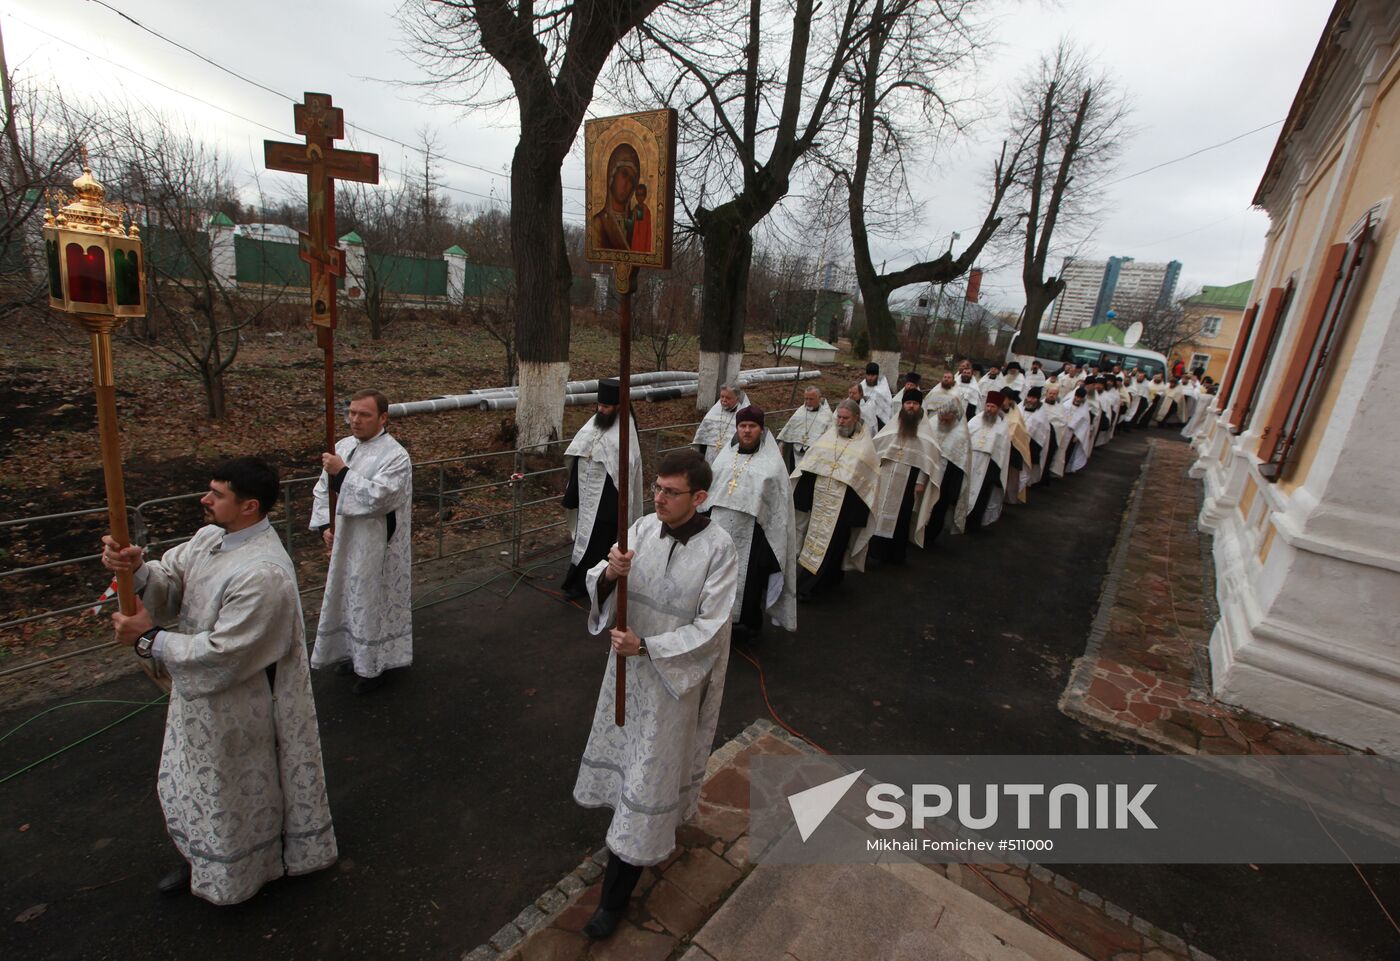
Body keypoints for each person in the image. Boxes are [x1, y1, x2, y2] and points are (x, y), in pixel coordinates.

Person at [102, 457, 336, 904]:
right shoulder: (212, 537)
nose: (205, 500)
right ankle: (201, 857)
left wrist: (151, 640)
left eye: (217, 494)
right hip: (196, 699)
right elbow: (172, 584)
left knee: (235, 790)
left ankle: (246, 870)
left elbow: (228, 652)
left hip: (239, 704)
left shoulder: (264, 572)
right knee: (197, 785)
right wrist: (140, 569)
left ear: (249, 506)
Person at [573, 450, 738, 940]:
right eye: (658, 488)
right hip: (625, 675)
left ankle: (614, 899)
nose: (659, 498)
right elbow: (600, 582)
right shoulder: (642, 529)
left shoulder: (719, 548)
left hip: (671, 685)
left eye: (671, 491)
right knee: (625, 764)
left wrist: (648, 646)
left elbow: (712, 627)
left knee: (647, 777)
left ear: (700, 497)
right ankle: (629, 837)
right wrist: (610, 573)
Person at [310, 389, 413, 694]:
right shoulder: (342, 446)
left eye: (364, 414)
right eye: (352, 413)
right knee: (347, 597)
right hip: (344, 542)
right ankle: (351, 653)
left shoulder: (396, 456)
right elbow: (322, 489)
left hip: (375, 546)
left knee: (371, 602)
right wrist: (325, 526)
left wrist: (342, 473)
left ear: (383, 418)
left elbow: (380, 498)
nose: (355, 420)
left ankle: (375, 665)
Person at [701, 406, 797, 642]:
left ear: (761, 431)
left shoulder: (773, 466)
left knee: (750, 585)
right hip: (719, 532)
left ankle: (747, 629)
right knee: (715, 578)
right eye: (742, 426)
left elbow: (778, 512)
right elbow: (709, 497)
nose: (746, 431)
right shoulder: (723, 459)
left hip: (754, 537)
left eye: (752, 427)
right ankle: (712, 623)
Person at [562, 378, 644, 599]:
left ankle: (590, 588)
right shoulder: (595, 421)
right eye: (599, 405)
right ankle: (576, 582)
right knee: (582, 541)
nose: (601, 410)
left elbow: (626, 468)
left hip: (607, 504)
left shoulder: (625, 431)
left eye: (606, 407)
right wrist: (574, 493)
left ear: (618, 407)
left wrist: (610, 507)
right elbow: (578, 451)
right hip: (587, 496)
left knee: (598, 546)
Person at [791, 399, 880, 599]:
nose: (840, 422)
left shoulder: (865, 447)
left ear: (856, 418)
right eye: (838, 417)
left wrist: (854, 515)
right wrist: (803, 500)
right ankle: (808, 586)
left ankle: (823, 582)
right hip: (820, 502)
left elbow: (867, 482)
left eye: (845, 418)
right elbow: (809, 467)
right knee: (814, 542)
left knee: (836, 545)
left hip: (844, 507)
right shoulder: (827, 438)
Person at [861, 389, 942, 565]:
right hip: (886, 476)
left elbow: (928, 460)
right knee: (879, 514)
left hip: (908, 481)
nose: (911, 406)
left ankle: (895, 555)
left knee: (902, 517)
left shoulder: (925, 431)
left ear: (920, 406)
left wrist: (920, 482)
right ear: (903, 405)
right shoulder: (893, 425)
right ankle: (874, 553)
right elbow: (876, 448)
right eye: (908, 403)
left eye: (914, 403)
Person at [926, 394, 971, 543]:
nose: (942, 419)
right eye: (941, 415)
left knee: (938, 508)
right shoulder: (932, 423)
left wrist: (953, 490)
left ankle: (929, 536)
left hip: (945, 479)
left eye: (947, 416)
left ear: (955, 415)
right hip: (926, 472)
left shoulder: (961, 435)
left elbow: (960, 464)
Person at [964, 393, 1011, 532]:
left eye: (993, 407)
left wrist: (994, 471)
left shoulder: (1002, 427)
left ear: (998, 408)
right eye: (988, 406)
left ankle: (973, 524)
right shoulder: (975, 420)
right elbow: (965, 438)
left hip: (987, 466)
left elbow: (1002, 451)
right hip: (971, 461)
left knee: (981, 496)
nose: (989, 409)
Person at [590, 144, 642, 251]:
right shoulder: (599, 222)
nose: (627, 183)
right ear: (612, 174)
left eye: (632, 180)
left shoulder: (635, 220)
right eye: (624, 174)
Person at [776, 386, 833, 471]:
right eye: (806, 399)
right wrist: (781, 445)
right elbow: (787, 430)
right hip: (795, 453)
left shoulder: (826, 416)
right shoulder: (800, 412)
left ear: (819, 399)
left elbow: (829, 438)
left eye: (811, 399)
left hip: (814, 456)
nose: (808, 402)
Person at [693, 383, 749, 464]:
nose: (723, 400)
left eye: (728, 398)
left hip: (730, 458)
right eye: (722, 397)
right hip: (709, 457)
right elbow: (703, 437)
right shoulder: (714, 412)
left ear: (737, 399)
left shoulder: (744, 414)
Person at [1000, 388, 1033, 506]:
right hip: (999, 449)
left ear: (1010, 400)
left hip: (1013, 450)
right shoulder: (996, 410)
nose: (1002, 401)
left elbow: (1015, 433)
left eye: (1004, 398)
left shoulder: (1015, 416)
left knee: (1010, 476)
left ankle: (1009, 498)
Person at [1038, 384, 1071, 485]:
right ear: (1046, 393)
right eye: (1050, 393)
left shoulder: (1060, 408)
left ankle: (1043, 478)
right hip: (1041, 437)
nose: (1052, 395)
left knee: (1048, 458)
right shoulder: (1040, 405)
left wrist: (1052, 426)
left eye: (1054, 394)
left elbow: (1063, 422)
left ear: (1057, 395)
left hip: (1053, 438)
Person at [1021, 387, 1052, 488]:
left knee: (1024, 470)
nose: (1030, 400)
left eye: (1033, 398)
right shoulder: (1019, 407)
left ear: (1038, 400)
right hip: (1016, 443)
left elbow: (1042, 434)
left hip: (1031, 446)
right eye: (1029, 397)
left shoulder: (1041, 415)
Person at [1064, 387, 1094, 473]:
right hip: (1062, 433)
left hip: (1072, 436)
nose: (1078, 399)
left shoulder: (1084, 410)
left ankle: (1065, 469)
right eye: (1077, 397)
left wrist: (1078, 436)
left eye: (1080, 398)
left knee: (1068, 453)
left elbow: (1085, 425)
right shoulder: (1066, 405)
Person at [859, 362, 893, 430]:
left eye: (873, 375)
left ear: (877, 375)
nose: (870, 378)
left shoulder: (883, 388)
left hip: (880, 419)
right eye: (868, 375)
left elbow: (888, 404)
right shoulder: (862, 386)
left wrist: (875, 401)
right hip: (864, 418)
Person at [628, 182, 652, 253]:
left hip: (643, 243)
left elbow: (648, 231)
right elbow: (629, 227)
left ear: (645, 196)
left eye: (642, 195)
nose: (639, 197)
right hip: (634, 242)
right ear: (635, 196)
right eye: (638, 195)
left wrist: (647, 249)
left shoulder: (646, 211)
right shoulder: (634, 210)